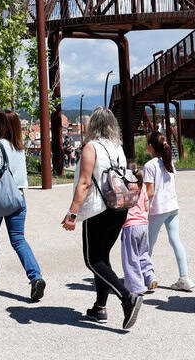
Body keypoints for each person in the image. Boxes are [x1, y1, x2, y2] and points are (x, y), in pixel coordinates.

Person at [61, 106, 144, 330]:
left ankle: (128, 298)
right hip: (119, 208)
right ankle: (100, 307)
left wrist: (72, 213)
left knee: (92, 260)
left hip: (97, 210)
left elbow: (85, 182)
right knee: (103, 257)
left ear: (93, 125)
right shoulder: (118, 148)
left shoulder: (91, 148)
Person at [0, 110, 45, 301]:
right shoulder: (20, 147)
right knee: (19, 240)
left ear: (0, 126)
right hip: (18, 198)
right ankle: (35, 276)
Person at [143, 131, 193, 291]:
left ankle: (146, 277)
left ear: (150, 147)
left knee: (147, 244)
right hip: (172, 207)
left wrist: (138, 199)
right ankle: (184, 277)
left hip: (157, 209)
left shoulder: (149, 166)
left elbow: (149, 192)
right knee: (175, 240)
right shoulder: (168, 162)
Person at [120, 168, 156, 296]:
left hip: (130, 226)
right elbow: (146, 207)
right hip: (143, 225)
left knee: (131, 258)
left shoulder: (126, 192)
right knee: (143, 253)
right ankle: (150, 276)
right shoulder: (142, 191)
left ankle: (136, 286)